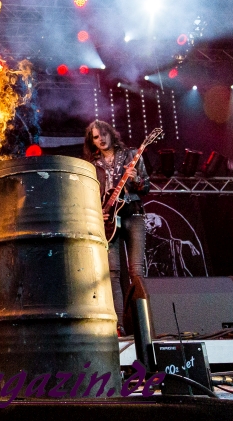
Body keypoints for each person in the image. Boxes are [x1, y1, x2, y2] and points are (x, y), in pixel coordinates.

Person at [84, 120, 150, 332]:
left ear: (111, 134)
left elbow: (145, 187)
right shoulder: (92, 166)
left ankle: (143, 324)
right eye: (96, 137)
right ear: (92, 141)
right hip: (109, 221)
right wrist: (98, 212)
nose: (101, 139)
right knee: (112, 272)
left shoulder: (131, 155)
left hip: (133, 214)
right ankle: (119, 325)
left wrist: (136, 178)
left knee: (136, 270)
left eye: (103, 134)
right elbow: (89, 195)